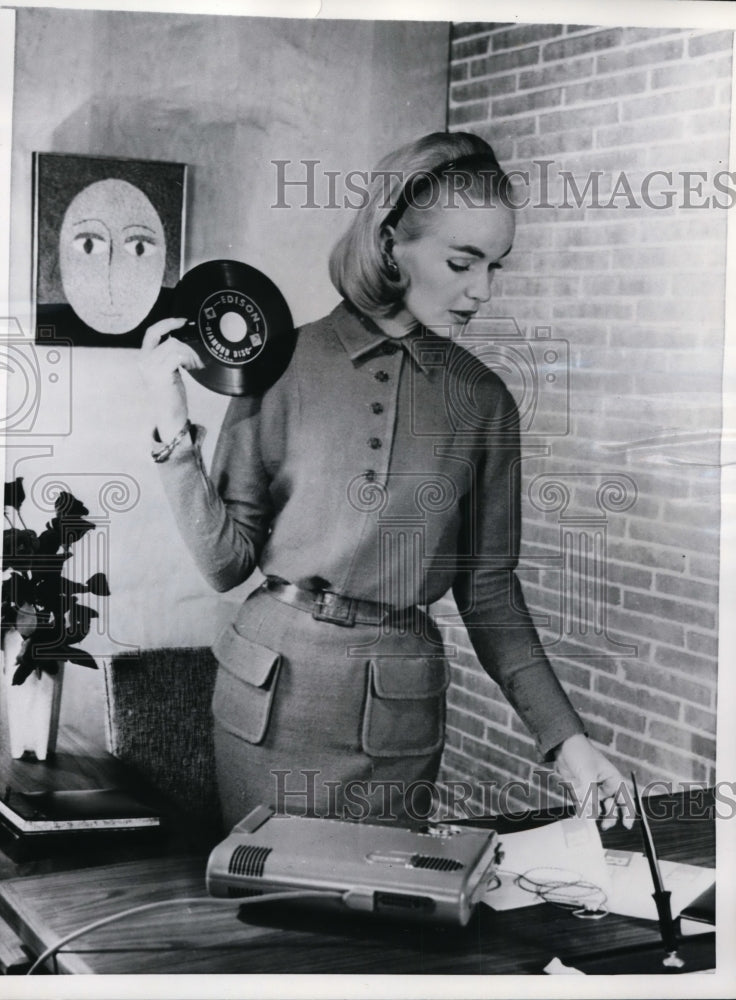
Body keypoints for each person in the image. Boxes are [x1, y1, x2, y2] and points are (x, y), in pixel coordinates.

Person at [139, 131, 633, 832]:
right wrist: (171, 429)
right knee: (262, 919)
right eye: (462, 262)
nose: (482, 291)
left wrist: (572, 747)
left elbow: (490, 595)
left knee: (385, 921)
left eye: (495, 266)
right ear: (390, 238)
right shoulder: (279, 363)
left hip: (396, 719)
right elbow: (226, 564)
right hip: (268, 705)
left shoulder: (484, 402)